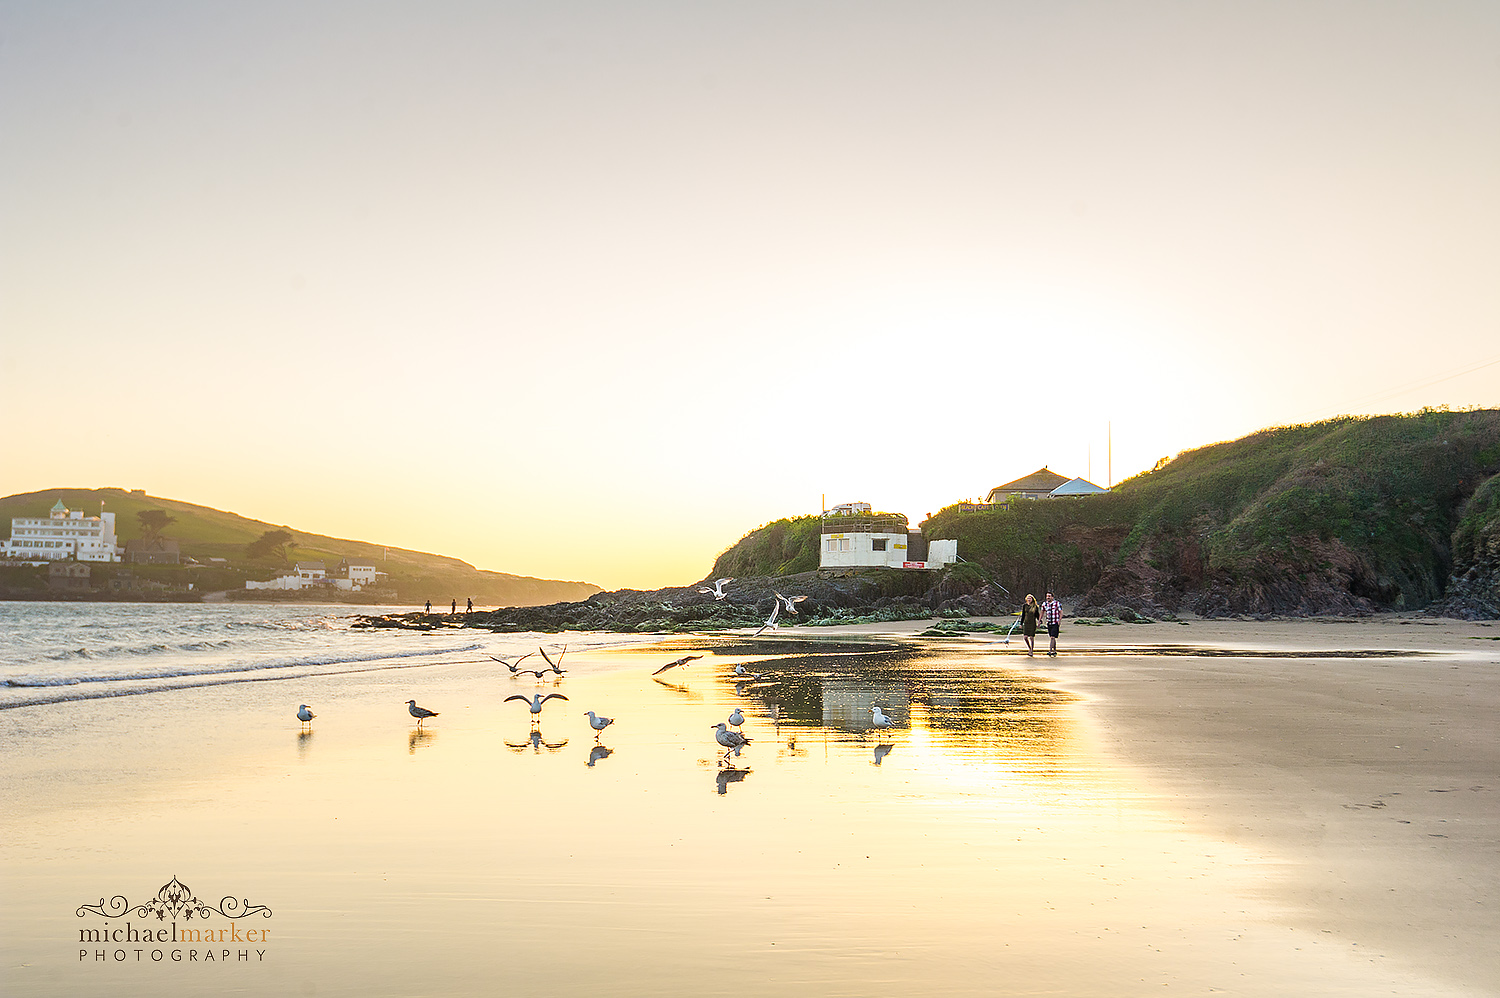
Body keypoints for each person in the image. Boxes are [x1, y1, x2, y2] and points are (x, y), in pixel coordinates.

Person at [1041, 591, 1062, 657]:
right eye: (1047, 596)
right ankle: (1055, 650)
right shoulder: (1044, 604)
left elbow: (1061, 612)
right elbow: (1042, 612)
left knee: (1052, 637)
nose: (1048, 597)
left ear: (1052, 597)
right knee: (1052, 637)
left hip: (1055, 622)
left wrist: (1059, 620)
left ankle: (1050, 651)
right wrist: (1039, 620)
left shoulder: (1057, 603)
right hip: (1049, 622)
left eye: (1049, 596)